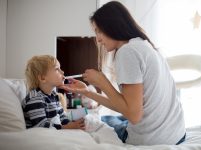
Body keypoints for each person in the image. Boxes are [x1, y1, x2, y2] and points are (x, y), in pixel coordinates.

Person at [61, 1, 186, 145]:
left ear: (112, 25)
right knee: (111, 118)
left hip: (152, 140)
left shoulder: (127, 52)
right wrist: (88, 93)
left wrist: (102, 81)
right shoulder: (143, 45)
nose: (98, 40)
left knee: (103, 120)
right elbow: (128, 107)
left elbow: (133, 115)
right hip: (176, 134)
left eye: (99, 31)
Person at [22, 55, 85, 130]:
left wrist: (72, 124)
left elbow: (62, 118)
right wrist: (67, 127)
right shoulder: (35, 99)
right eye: (57, 69)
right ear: (43, 78)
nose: (62, 72)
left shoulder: (54, 95)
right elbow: (41, 127)